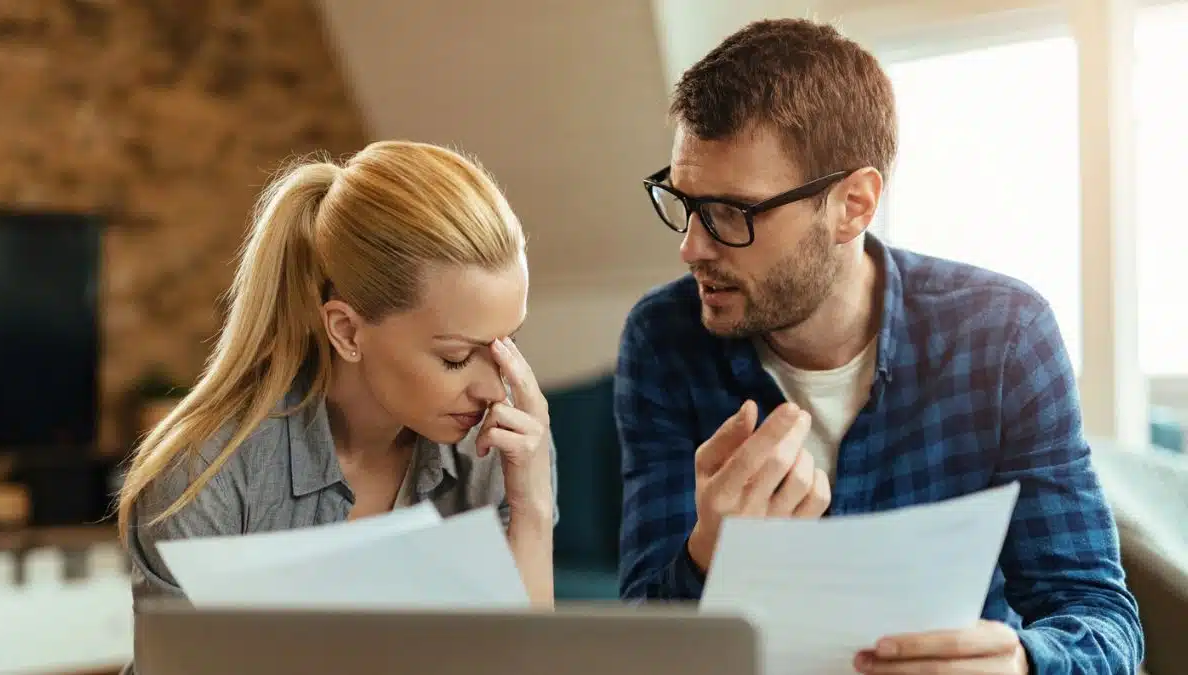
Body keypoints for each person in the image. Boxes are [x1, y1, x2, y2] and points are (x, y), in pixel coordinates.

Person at [616, 18, 1142, 675]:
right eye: (684, 202)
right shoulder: (663, 340)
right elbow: (638, 644)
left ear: (854, 205)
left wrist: (1023, 664)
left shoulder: (1005, 336)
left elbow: (1102, 619)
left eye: (732, 212)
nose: (691, 245)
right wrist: (707, 551)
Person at [116, 140, 557, 671]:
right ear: (347, 330)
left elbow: (527, 666)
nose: (493, 389)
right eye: (458, 357)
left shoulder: (502, 448)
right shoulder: (204, 475)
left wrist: (530, 510)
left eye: (508, 344)